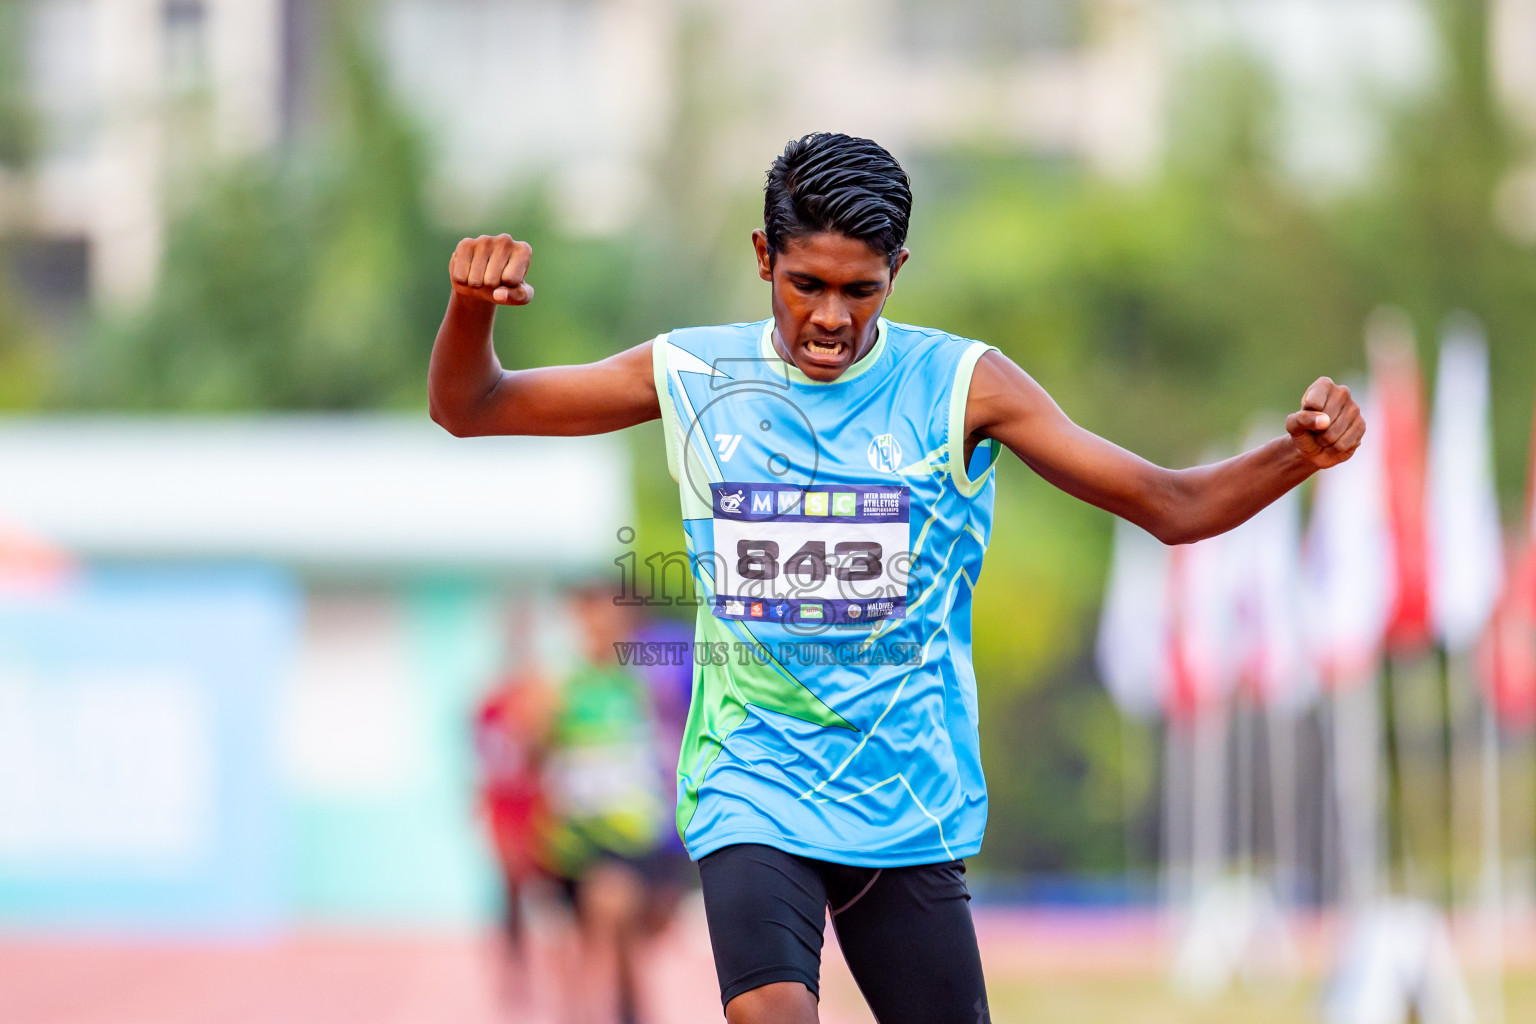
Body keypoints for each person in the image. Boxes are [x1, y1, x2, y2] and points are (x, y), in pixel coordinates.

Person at [429, 133, 1365, 1024]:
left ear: (899, 272)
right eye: (806, 286)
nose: (831, 319)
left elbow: (1171, 505)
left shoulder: (965, 387)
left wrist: (1297, 458)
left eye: (859, 290)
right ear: (763, 257)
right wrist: (472, 306)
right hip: (749, 780)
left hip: (906, 800)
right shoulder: (690, 372)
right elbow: (471, 406)